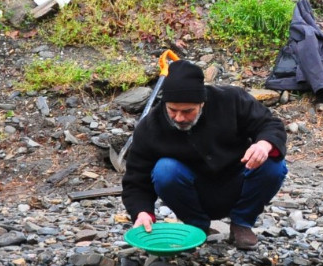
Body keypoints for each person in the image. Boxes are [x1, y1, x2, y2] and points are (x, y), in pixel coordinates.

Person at [122, 60, 287, 250]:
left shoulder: (231, 99)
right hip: (191, 191)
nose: (179, 118)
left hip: (239, 182)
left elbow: (270, 124)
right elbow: (136, 180)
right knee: (164, 169)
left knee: (275, 164)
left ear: (202, 102)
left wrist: (264, 145)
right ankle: (197, 227)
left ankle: (242, 222)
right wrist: (142, 212)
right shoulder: (150, 126)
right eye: (172, 110)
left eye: (187, 111)